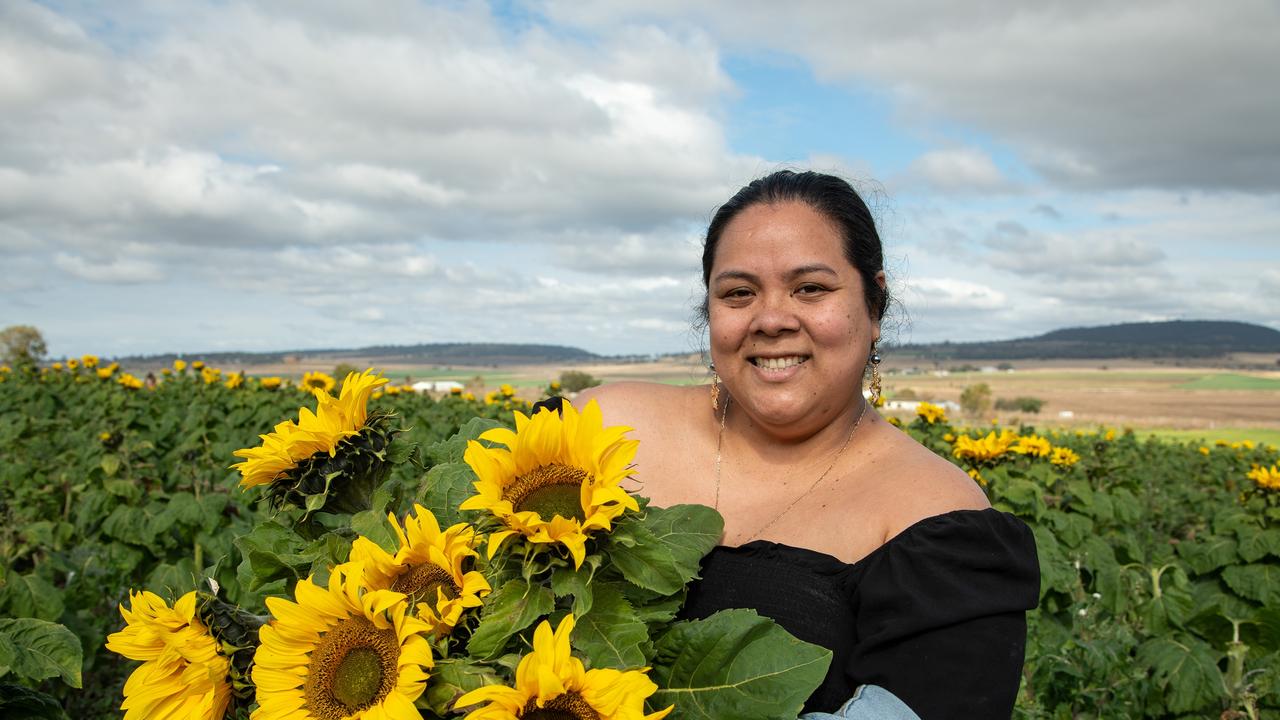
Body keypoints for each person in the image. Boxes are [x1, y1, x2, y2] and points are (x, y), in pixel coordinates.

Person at [578, 170, 1039, 719]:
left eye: (810, 288)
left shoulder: (940, 525)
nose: (771, 319)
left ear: (874, 305)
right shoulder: (599, 426)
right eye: (739, 293)